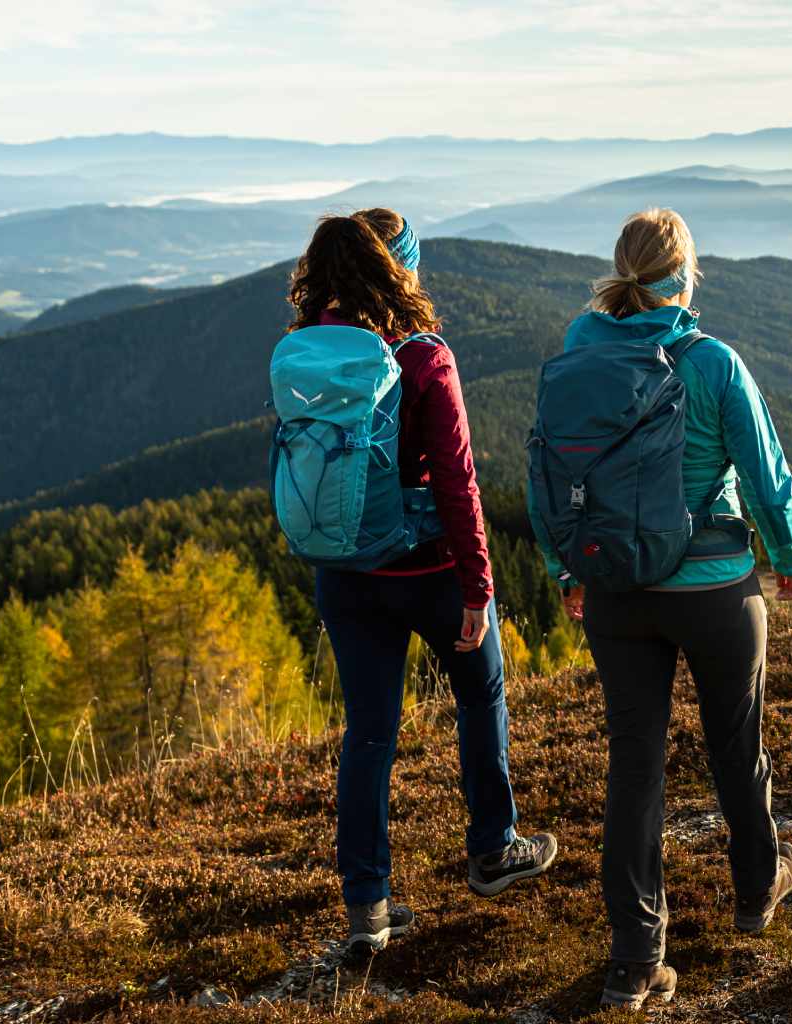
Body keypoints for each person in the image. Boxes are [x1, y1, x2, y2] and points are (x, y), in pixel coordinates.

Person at [529, 208, 792, 1010]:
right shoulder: (714, 363)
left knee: (636, 767)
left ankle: (634, 962)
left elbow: (542, 476)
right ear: (686, 275)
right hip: (716, 588)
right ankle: (756, 891)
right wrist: (786, 558)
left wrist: (564, 569)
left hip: (616, 591)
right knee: (735, 744)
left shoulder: (578, 360)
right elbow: (765, 471)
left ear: (619, 272)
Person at [286, 208, 557, 957]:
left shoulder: (304, 349)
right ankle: (494, 849)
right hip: (431, 569)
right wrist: (478, 587)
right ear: (401, 269)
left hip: (345, 574)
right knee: (481, 694)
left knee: (369, 735)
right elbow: (459, 484)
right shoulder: (423, 356)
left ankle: (367, 909)